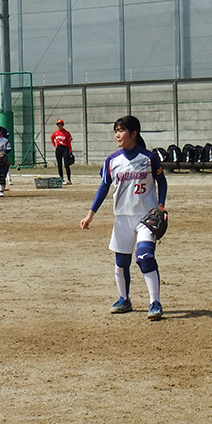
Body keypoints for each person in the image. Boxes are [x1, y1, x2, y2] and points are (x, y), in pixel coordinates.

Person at [80, 115, 168, 321]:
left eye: (121, 130)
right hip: (122, 218)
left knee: (145, 257)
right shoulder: (113, 160)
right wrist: (90, 214)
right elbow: (104, 187)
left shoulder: (149, 158)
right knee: (121, 262)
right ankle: (124, 299)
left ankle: (155, 302)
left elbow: (161, 181)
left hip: (146, 217)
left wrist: (161, 205)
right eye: (116, 131)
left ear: (134, 133)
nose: (117, 134)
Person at [50, 119, 73, 185]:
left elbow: (69, 142)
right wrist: (55, 146)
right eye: (58, 125)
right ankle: (61, 178)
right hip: (59, 148)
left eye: (60, 124)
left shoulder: (66, 133)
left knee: (66, 164)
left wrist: (70, 151)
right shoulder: (56, 133)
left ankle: (69, 179)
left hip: (65, 148)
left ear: (63, 125)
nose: (59, 126)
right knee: (59, 164)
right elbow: (52, 138)